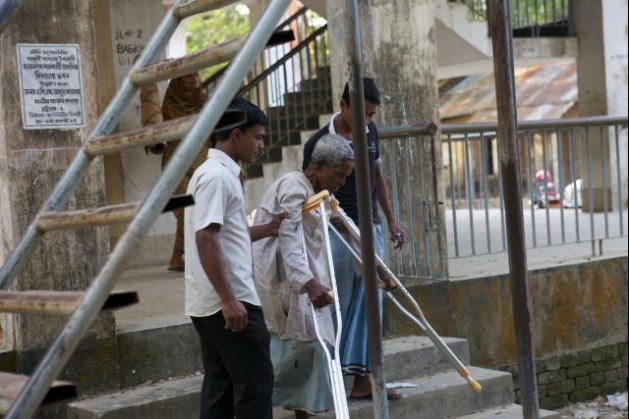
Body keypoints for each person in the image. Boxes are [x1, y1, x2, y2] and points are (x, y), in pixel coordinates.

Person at [301, 77, 405, 400]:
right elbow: (309, 191)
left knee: (371, 303)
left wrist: (390, 219)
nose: (367, 122)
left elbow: (376, 175)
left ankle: (366, 381)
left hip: (368, 225)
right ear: (343, 105)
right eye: (362, 114)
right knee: (339, 305)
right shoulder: (317, 144)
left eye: (372, 115)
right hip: (336, 229)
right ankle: (330, 383)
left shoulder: (370, 132)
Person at [184, 97, 285, 419]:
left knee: (221, 387)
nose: (260, 145)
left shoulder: (218, 173)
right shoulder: (217, 176)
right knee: (255, 386)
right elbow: (206, 237)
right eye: (258, 137)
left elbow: (228, 234)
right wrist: (229, 299)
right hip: (229, 301)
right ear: (237, 135)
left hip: (214, 301)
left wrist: (269, 228)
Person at [252, 134, 354, 418]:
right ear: (319, 165)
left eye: (346, 177)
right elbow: (289, 238)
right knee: (304, 345)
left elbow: (335, 217)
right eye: (339, 175)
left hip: (302, 276)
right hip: (285, 276)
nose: (341, 183)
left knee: (310, 345)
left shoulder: (319, 191)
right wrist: (308, 284)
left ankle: (302, 411)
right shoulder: (293, 187)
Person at [161, 72, 208, 272]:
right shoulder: (170, 106)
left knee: (198, 208)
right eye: (187, 76)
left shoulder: (206, 101)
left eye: (195, 74)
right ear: (178, 82)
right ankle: (185, 256)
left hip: (201, 161)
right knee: (186, 208)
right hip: (176, 165)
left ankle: (177, 258)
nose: (193, 78)